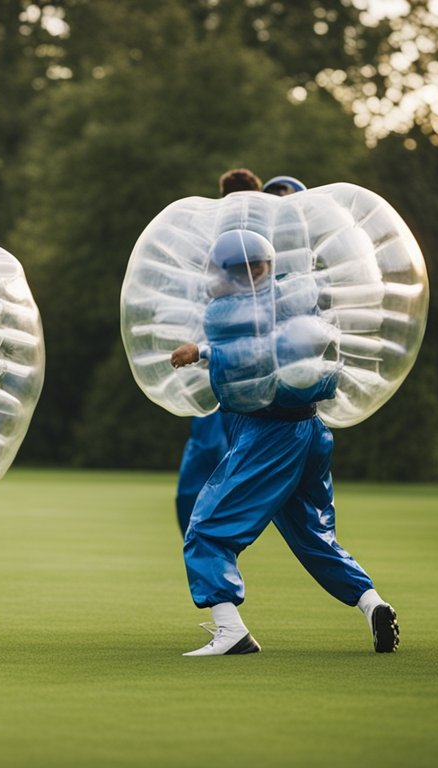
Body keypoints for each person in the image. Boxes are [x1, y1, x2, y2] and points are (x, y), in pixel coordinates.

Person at [169, 229, 398, 656]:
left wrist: (203, 353)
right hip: (312, 432)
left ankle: (230, 629)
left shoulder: (240, 313)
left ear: (248, 270)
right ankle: (373, 604)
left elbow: (261, 352)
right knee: (313, 532)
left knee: (207, 529)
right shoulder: (297, 297)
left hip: (271, 433)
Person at [173, 169, 263, 535]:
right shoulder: (222, 248)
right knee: (215, 453)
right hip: (226, 369)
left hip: (229, 369)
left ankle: (204, 537)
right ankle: (206, 537)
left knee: (216, 456)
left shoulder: (248, 249)